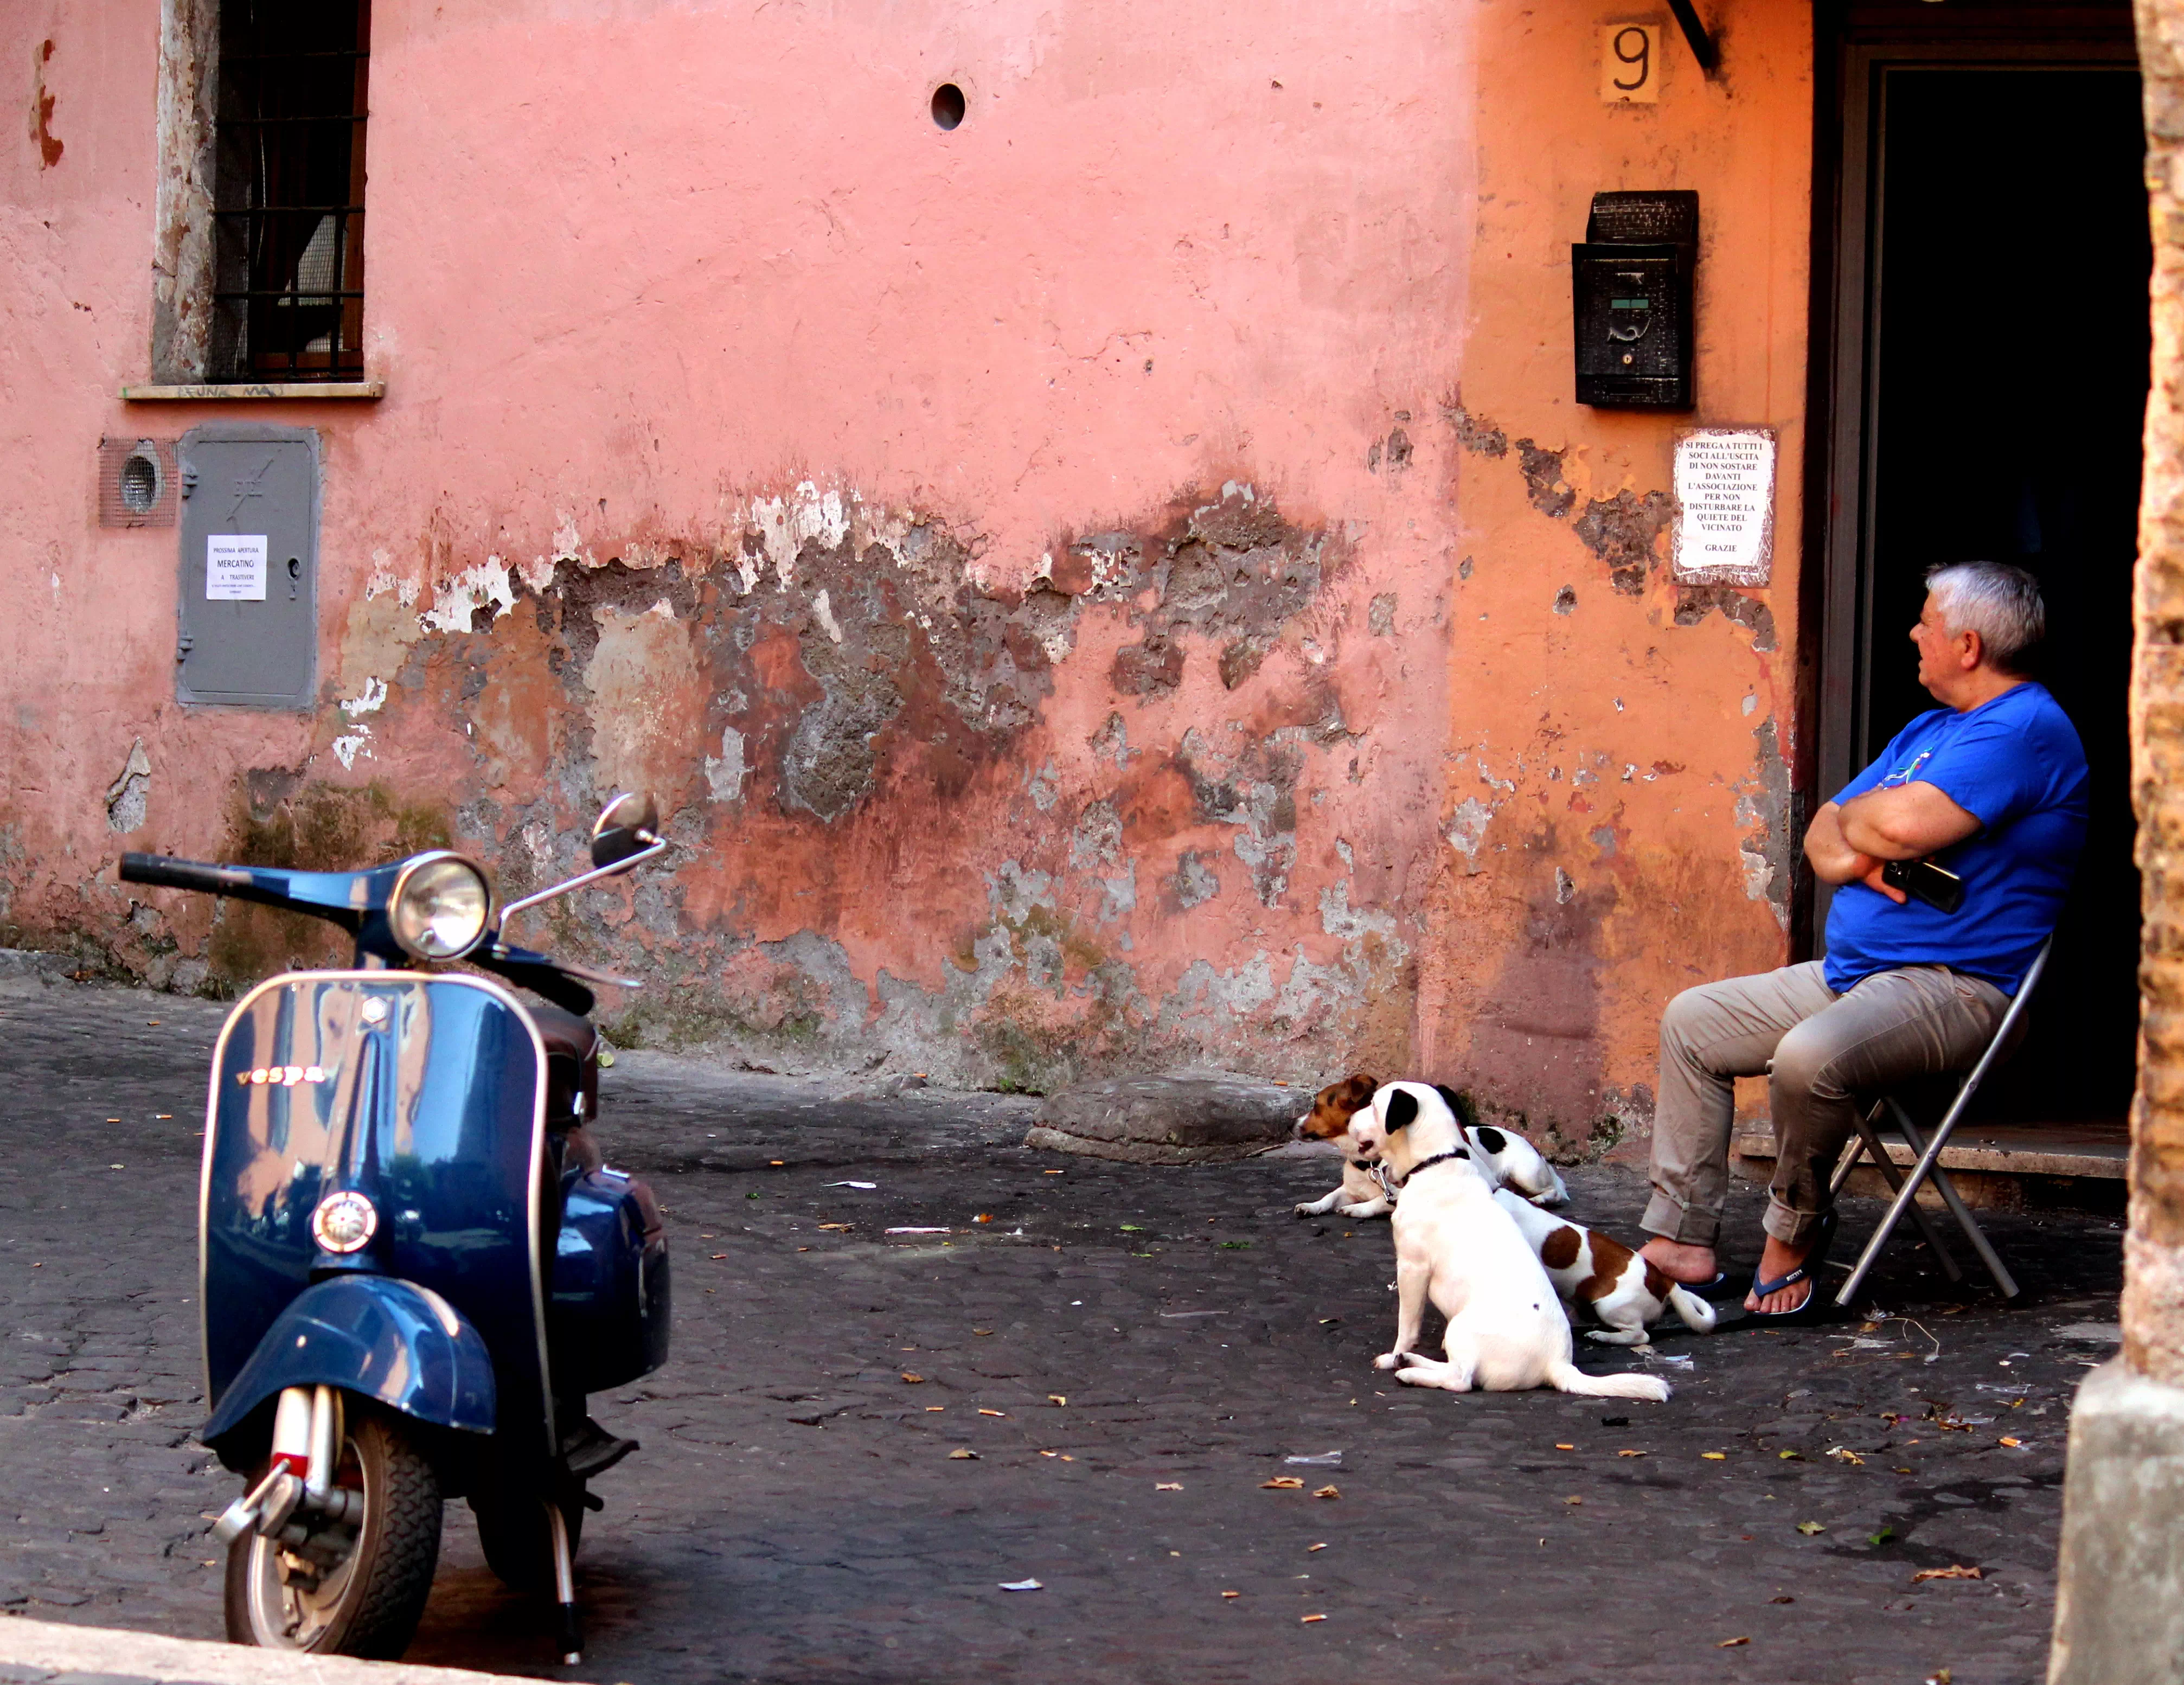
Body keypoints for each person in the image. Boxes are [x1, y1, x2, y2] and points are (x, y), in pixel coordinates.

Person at [1637, 561, 2088, 1322]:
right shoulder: (1929, 730)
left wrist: (1872, 826)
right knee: (1693, 1021)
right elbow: (1824, 838)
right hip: (1855, 974)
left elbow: (1896, 825)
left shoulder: (2025, 729)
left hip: (1952, 986)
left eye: (1924, 621)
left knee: (1810, 1055)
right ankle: (1680, 1242)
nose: (1913, 633)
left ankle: (1795, 1236)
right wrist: (1866, 829)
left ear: (1967, 644)